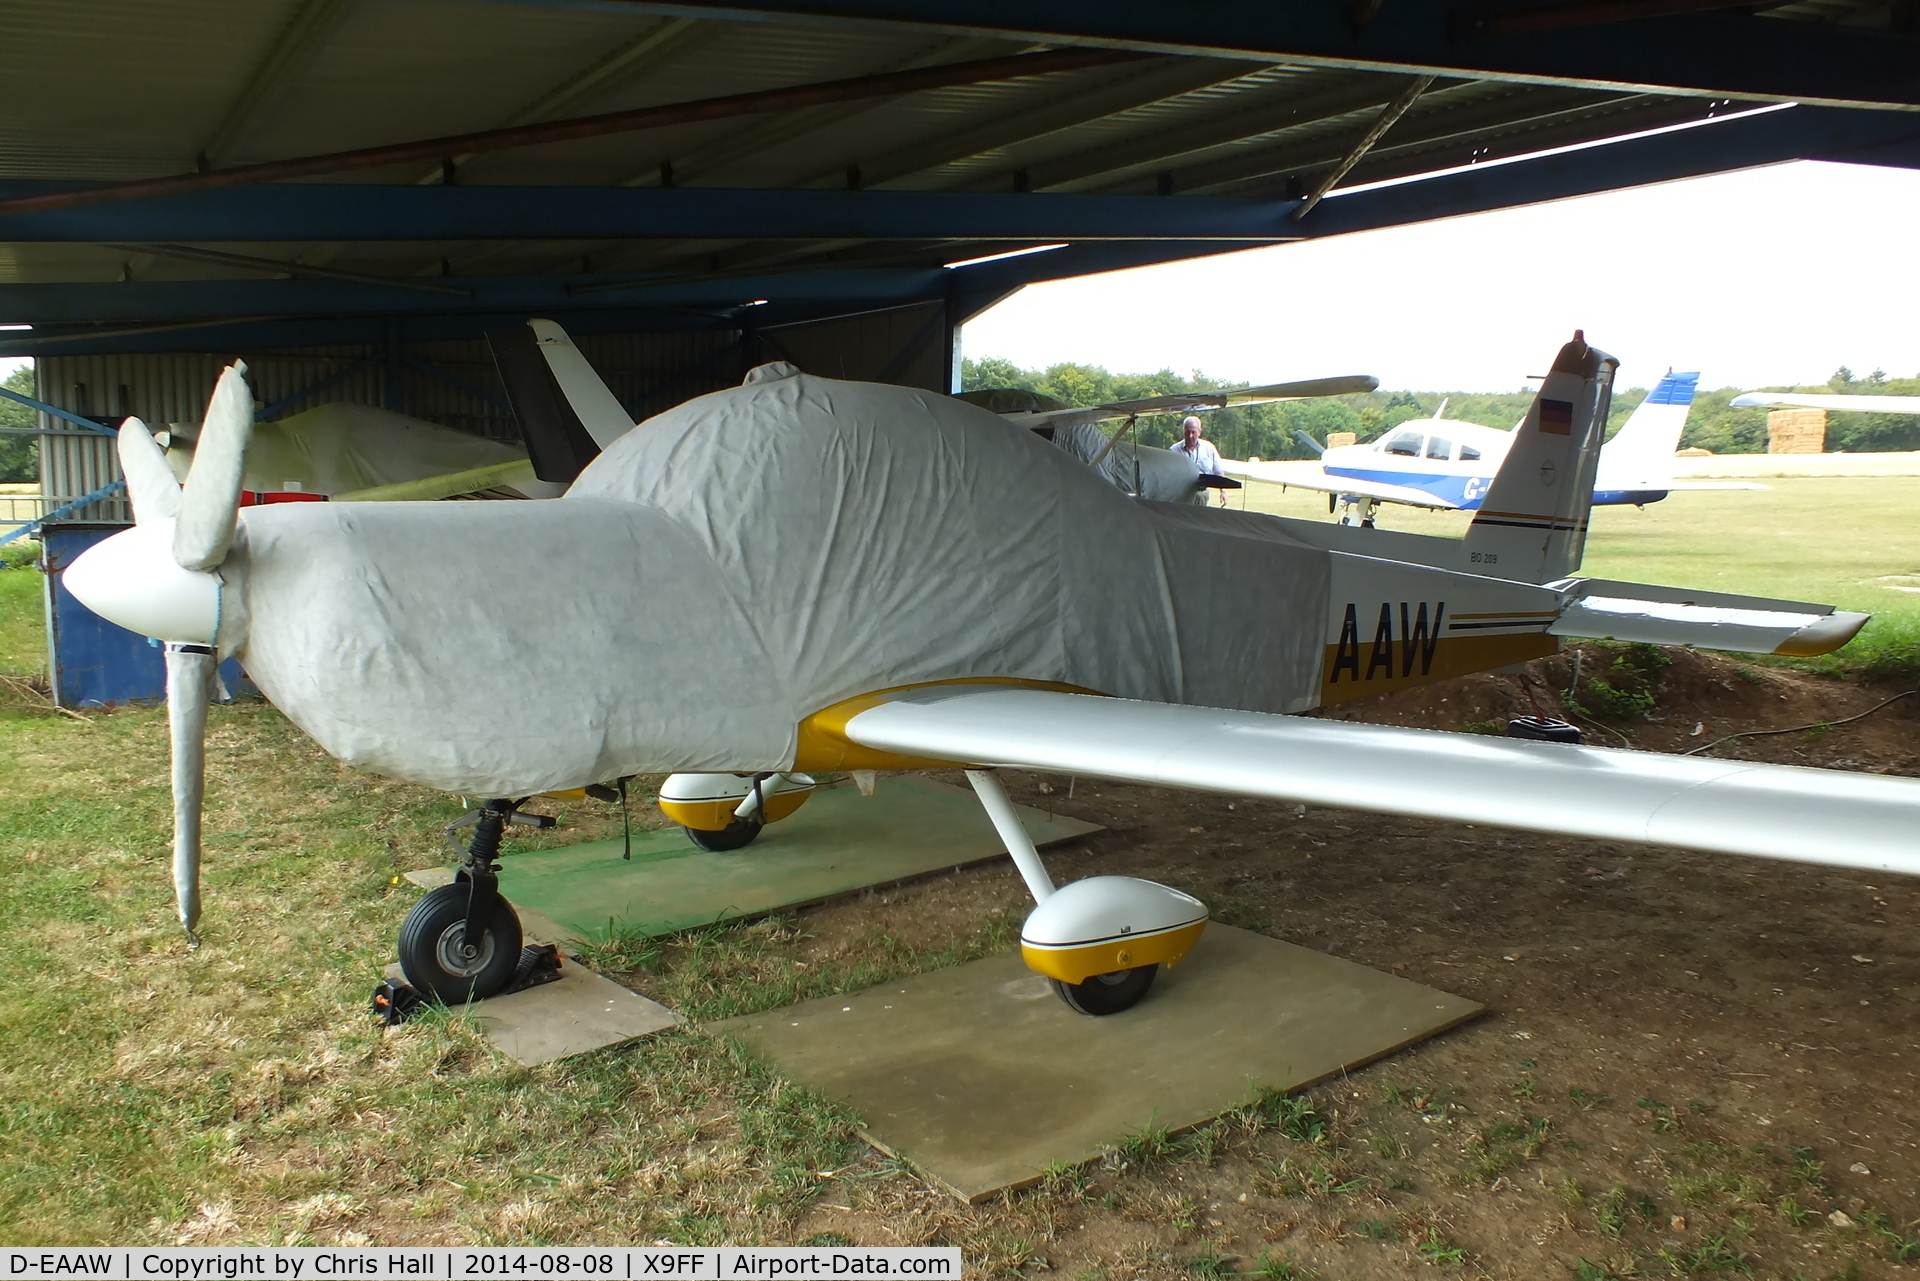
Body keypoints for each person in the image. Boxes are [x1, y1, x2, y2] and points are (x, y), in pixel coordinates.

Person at [1169, 414, 1227, 505]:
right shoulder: (1174, 450)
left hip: (1202, 494)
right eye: (1187, 432)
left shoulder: (1209, 448)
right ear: (1183, 431)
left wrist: (1223, 491)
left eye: (1193, 432)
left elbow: (1218, 470)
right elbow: (1168, 474)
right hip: (1182, 495)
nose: (1190, 436)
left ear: (1199, 432)